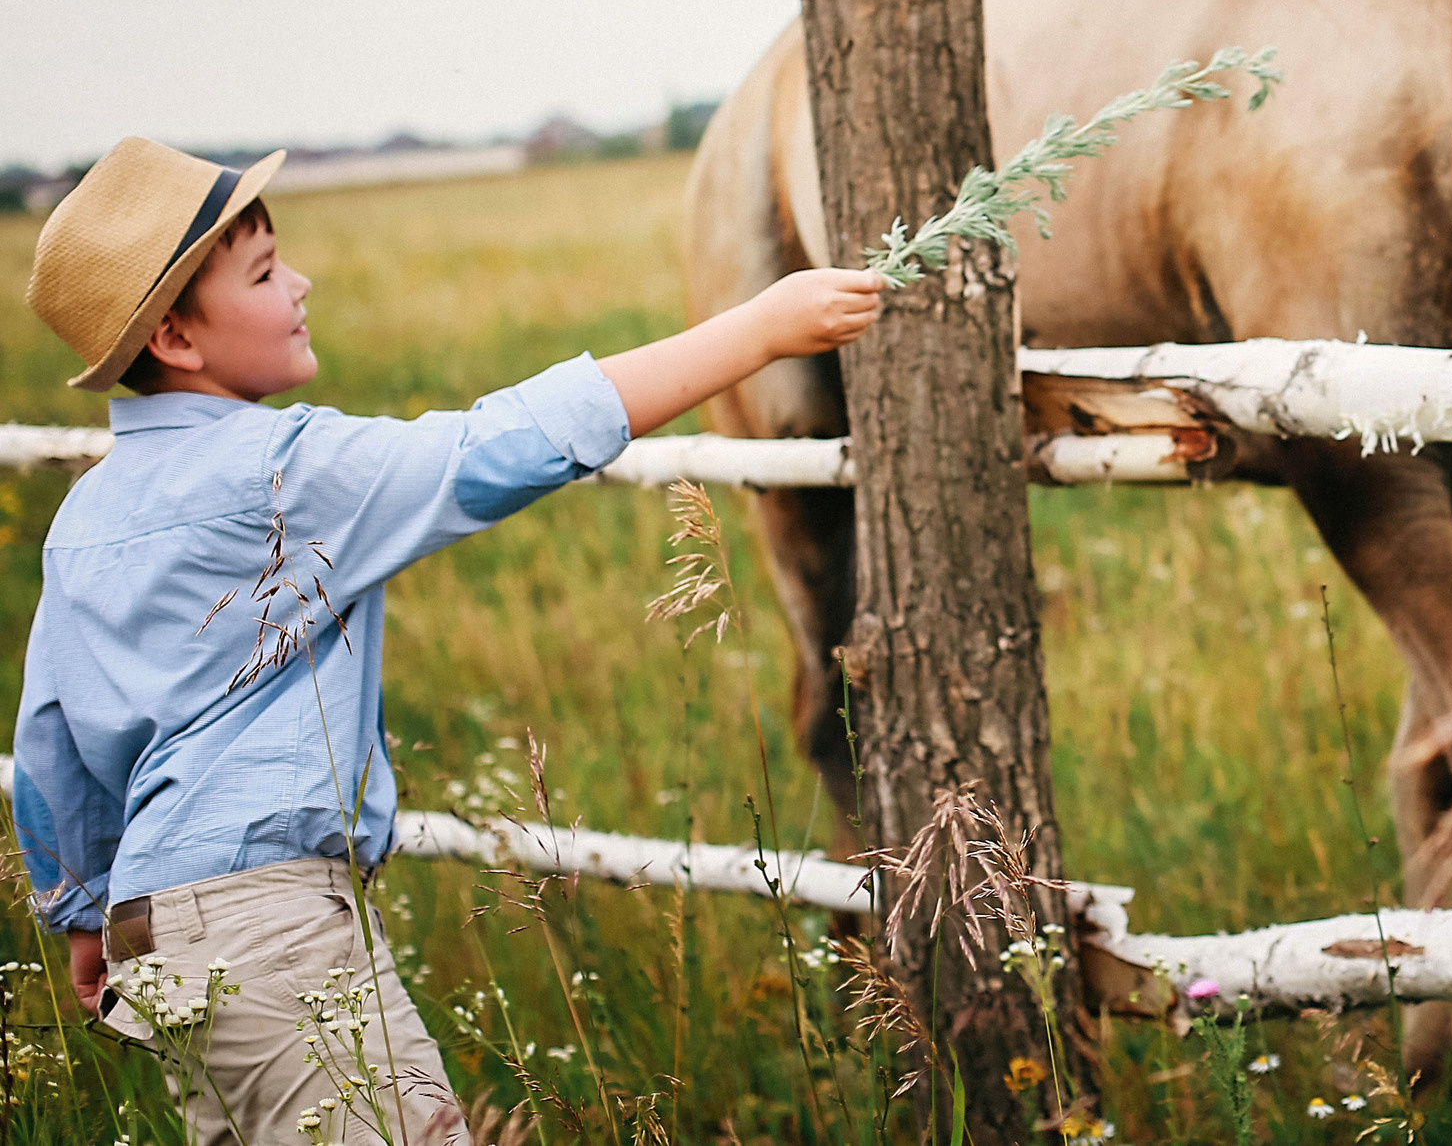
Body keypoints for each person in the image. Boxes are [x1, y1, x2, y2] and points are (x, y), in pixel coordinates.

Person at [14, 137, 885, 1144]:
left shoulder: (84, 515)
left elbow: (51, 744)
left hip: (156, 936)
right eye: (261, 273)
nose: (300, 283)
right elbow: (501, 446)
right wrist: (761, 329)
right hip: (278, 931)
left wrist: (84, 913)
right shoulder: (286, 472)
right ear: (174, 336)